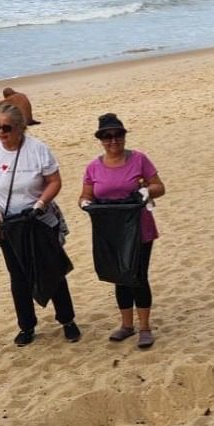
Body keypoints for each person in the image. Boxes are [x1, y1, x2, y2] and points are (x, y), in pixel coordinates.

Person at [0, 103, 80, 346]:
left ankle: (67, 320)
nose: (1, 133)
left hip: (38, 221)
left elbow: (54, 181)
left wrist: (41, 203)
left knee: (52, 270)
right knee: (18, 277)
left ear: (20, 128)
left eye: (7, 128)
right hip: (9, 227)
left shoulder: (38, 149)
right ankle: (26, 326)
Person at [79, 113, 165, 349]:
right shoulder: (93, 167)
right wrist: (85, 204)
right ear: (101, 140)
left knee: (137, 276)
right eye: (107, 136)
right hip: (110, 232)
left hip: (139, 229)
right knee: (119, 278)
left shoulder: (139, 160)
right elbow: (85, 196)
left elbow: (159, 186)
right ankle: (127, 325)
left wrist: (148, 191)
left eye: (117, 135)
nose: (113, 140)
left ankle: (145, 327)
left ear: (124, 136)